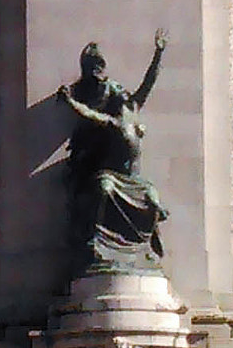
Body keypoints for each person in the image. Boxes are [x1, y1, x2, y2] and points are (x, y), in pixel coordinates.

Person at [58, 31, 169, 267]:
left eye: (120, 91)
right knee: (104, 187)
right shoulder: (112, 122)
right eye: (116, 92)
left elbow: (149, 82)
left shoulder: (133, 110)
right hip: (112, 176)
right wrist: (70, 102)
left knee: (152, 198)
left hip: (134, 181)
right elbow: (87, 113)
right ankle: (97, 240)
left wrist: (158, 53)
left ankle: (149, 244)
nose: (119, 92)